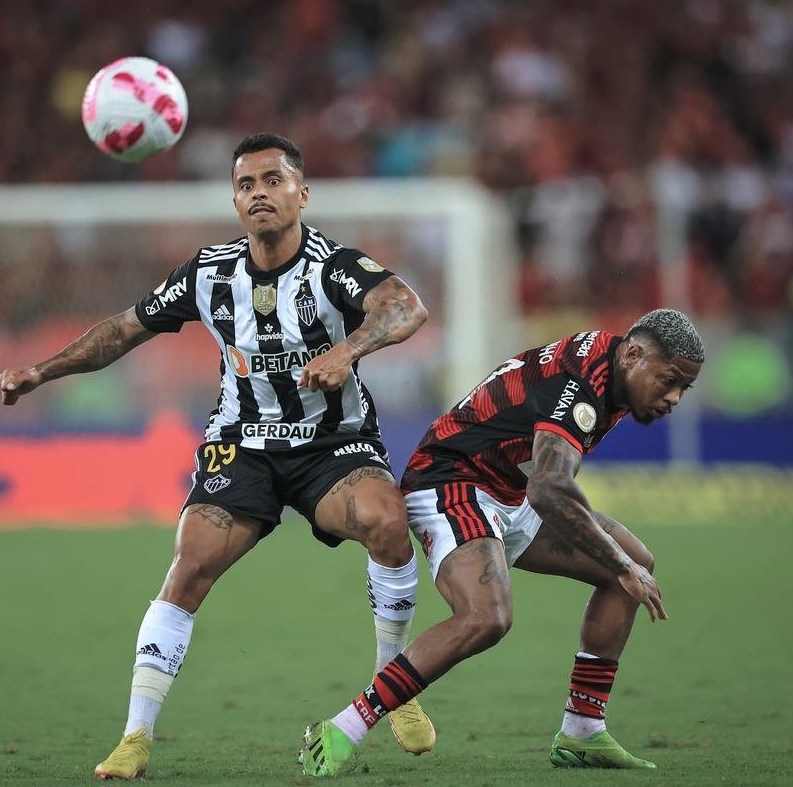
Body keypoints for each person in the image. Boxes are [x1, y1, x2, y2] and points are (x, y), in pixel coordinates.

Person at [0, 133, 436, 780]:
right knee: (189, 564)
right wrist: (41, 370)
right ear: (234, 199)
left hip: (331, 444)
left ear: (301, 193)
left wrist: (348, 350)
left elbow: (406, 306)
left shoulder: (331, 267)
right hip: (243, 444)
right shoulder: (209, 273)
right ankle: (134, 737)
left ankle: (393, 687)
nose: (259, 192)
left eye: (272, 179)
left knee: (387, 523)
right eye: (245, 184)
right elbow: (123, 329)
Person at [299, 309, 704, 776]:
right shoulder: (583, 387)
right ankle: (340, 728)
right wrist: (620, 563)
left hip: (507, 487)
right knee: (488, 616)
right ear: (633, 355)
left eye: (683, 388)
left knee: (633, 563)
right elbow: (550, 488)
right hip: (452, 478)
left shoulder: (611, 367)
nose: (673, 397)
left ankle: (582, 732)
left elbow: (546, 482)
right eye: (668, 380)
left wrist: (622, 564)